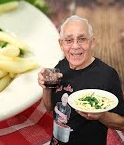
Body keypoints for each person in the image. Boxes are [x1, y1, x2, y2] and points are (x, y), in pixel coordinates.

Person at [38, 15, 124, 145]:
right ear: (61, 44)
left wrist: (101, 115)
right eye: (69, 40)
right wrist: (46, 87)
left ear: (92, 42)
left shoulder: (107, 75)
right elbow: (50, 107)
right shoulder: (60, 66)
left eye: (82, 39)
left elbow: (122, 124)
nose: (75, 46)